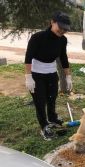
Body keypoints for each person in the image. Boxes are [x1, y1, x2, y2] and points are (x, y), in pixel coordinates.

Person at [24, 11, 73, 141]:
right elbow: (28, 57)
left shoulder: (63, 40)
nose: (62, 31)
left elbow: (63, 58)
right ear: (52, 22)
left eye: (65, 29)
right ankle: (44, 125)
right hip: (36, 73)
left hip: (51, 72)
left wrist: (68, 76)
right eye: (60, 27)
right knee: (40, 101)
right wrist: (28, 76)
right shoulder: (37, 37)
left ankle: (52, 118)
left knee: (52, 98)